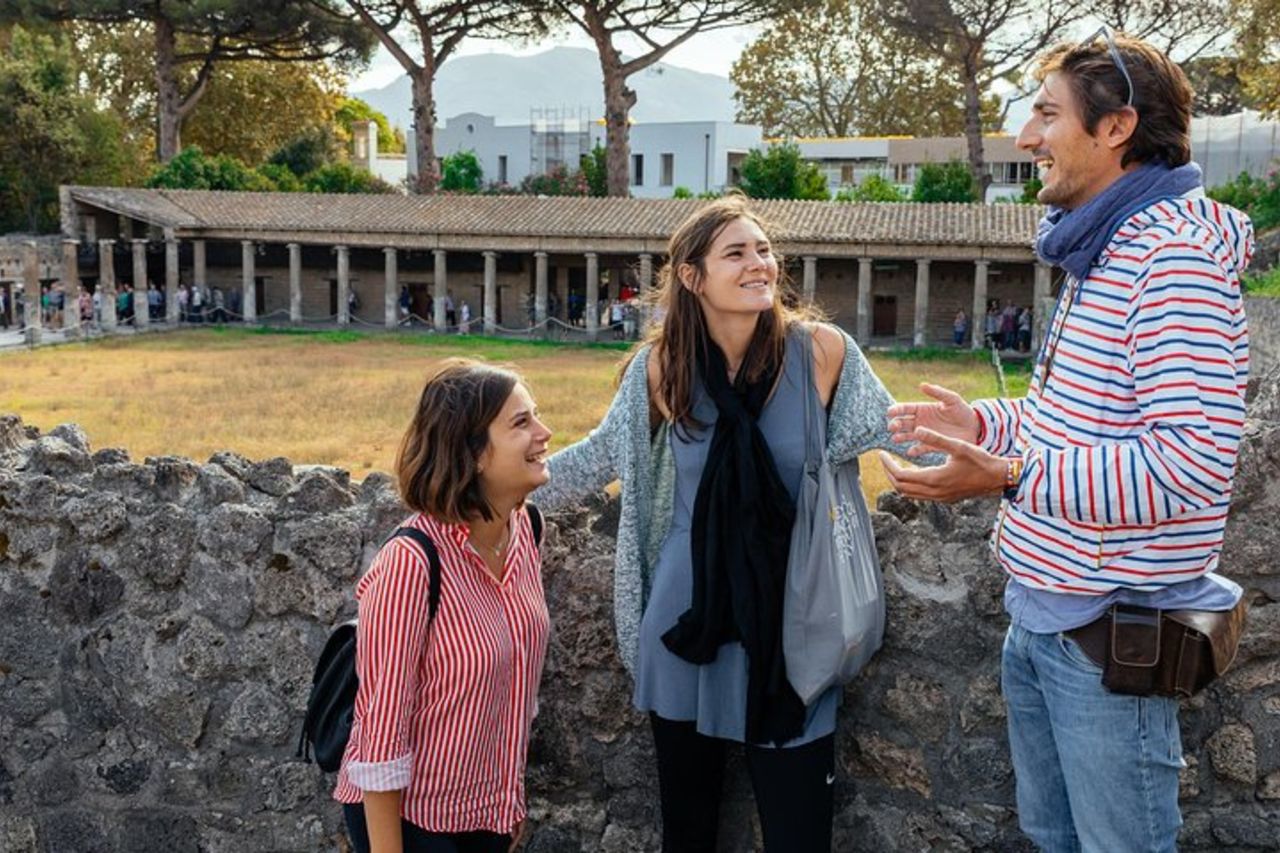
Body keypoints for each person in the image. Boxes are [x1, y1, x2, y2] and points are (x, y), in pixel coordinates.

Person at [880, 31, 1252, 853]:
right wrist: (983, 425)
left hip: (1106, 642)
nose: (1026, 136)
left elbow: (1189, 465)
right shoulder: (1107, 249)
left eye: (1047, 113)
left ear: (1116, 128)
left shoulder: (1172, 259)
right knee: (1054, 839)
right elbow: (1072, 417)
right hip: (1047, 624)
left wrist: (1009, 476)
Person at [533, 195, 926, 852]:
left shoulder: (821, 354)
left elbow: (900, 430)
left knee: (799, 833)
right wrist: (491, 490)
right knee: (688, 834)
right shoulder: (662, 368)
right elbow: (602, 455)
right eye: (737, 253)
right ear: (693, 276)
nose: (759, 264)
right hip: (687, 626)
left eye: (764, 250)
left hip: (793, 622)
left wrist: (1005, 465)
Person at [333, 359, 553, 853]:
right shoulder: (411, 562)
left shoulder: (527, 532)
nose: (545, 432)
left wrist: (506, 801)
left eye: (536, 415)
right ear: (471, 453)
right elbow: (381, 733)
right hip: (414, 823)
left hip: (487, 813)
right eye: (521, 423)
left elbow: (515, 690)